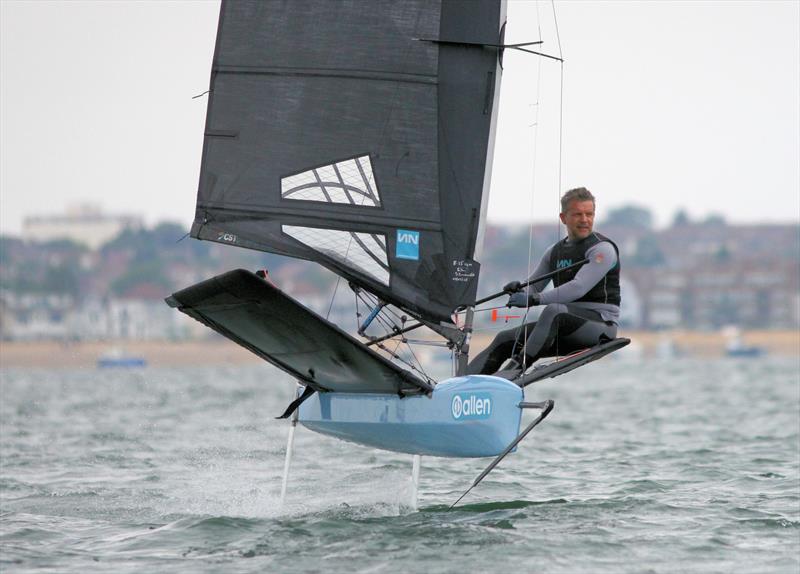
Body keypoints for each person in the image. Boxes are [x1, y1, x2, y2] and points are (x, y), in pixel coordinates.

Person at [467, 187, 621, 375]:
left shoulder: (602, 249)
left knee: (554, 310)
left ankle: (511, 372)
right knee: (504, 339)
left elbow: (578, 288)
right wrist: (520, 292)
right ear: (563, 218)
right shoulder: (554, 252)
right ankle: (460, 384)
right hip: (561, 326)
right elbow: (534, 286)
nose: (584, 220)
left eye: (589, 214)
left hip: (600, 327)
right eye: (577, 214)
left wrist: (534, 299)